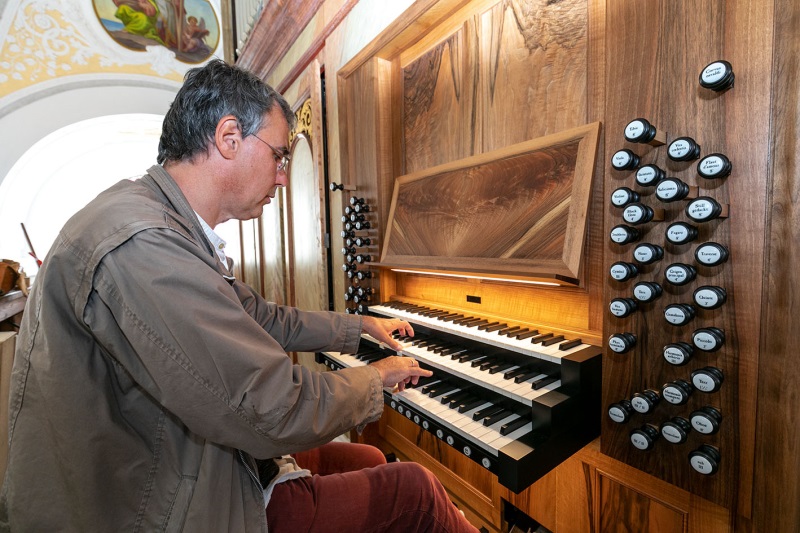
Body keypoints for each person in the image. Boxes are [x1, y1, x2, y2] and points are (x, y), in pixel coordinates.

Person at [0, 59, 478, 533]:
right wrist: (375, 379)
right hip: (151, 500)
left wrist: (358, 329)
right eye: (279, 155)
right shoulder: (145, 243)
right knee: (415, 491)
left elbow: (258, 316)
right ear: (229, 138)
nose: (284, 177)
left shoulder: (163, 219)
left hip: (165, 453)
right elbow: (269, 405)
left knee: (369, 455)